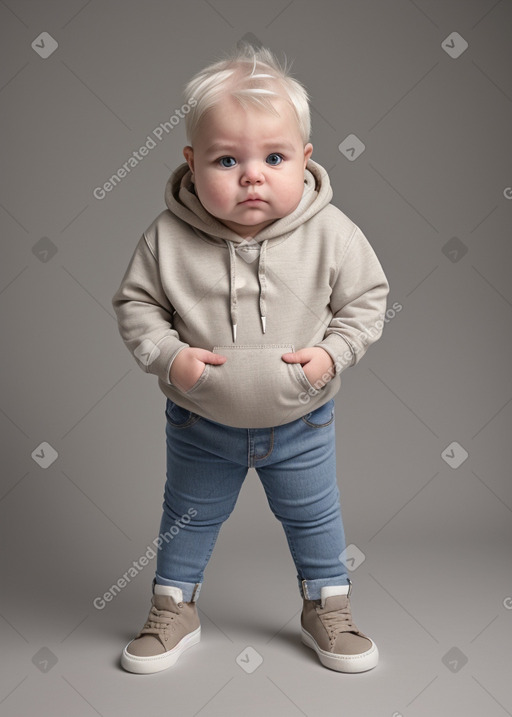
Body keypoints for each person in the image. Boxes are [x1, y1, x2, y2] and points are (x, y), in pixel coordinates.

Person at [112, 42, 389, 675]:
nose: (252, 175)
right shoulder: (167, 237)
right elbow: (136, 305)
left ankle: (328, 605)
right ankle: (173, 606)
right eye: (227, 159)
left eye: (273, 157)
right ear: (191, 163)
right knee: (185, 516)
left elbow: (369, 300)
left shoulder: (332, 233)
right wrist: (168, 356)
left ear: (305, 160)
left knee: (316, 516)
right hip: (199, 425)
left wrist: (332, 354)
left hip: (302, 424)